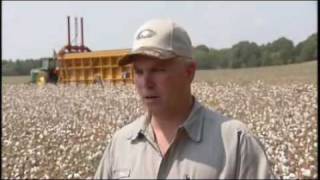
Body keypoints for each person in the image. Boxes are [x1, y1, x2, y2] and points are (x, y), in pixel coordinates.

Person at [95, 18, 276, 179]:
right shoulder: (120, 144)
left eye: (158, 70)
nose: (146, 82)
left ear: (189, 72)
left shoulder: (236, 143)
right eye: (139, 72)